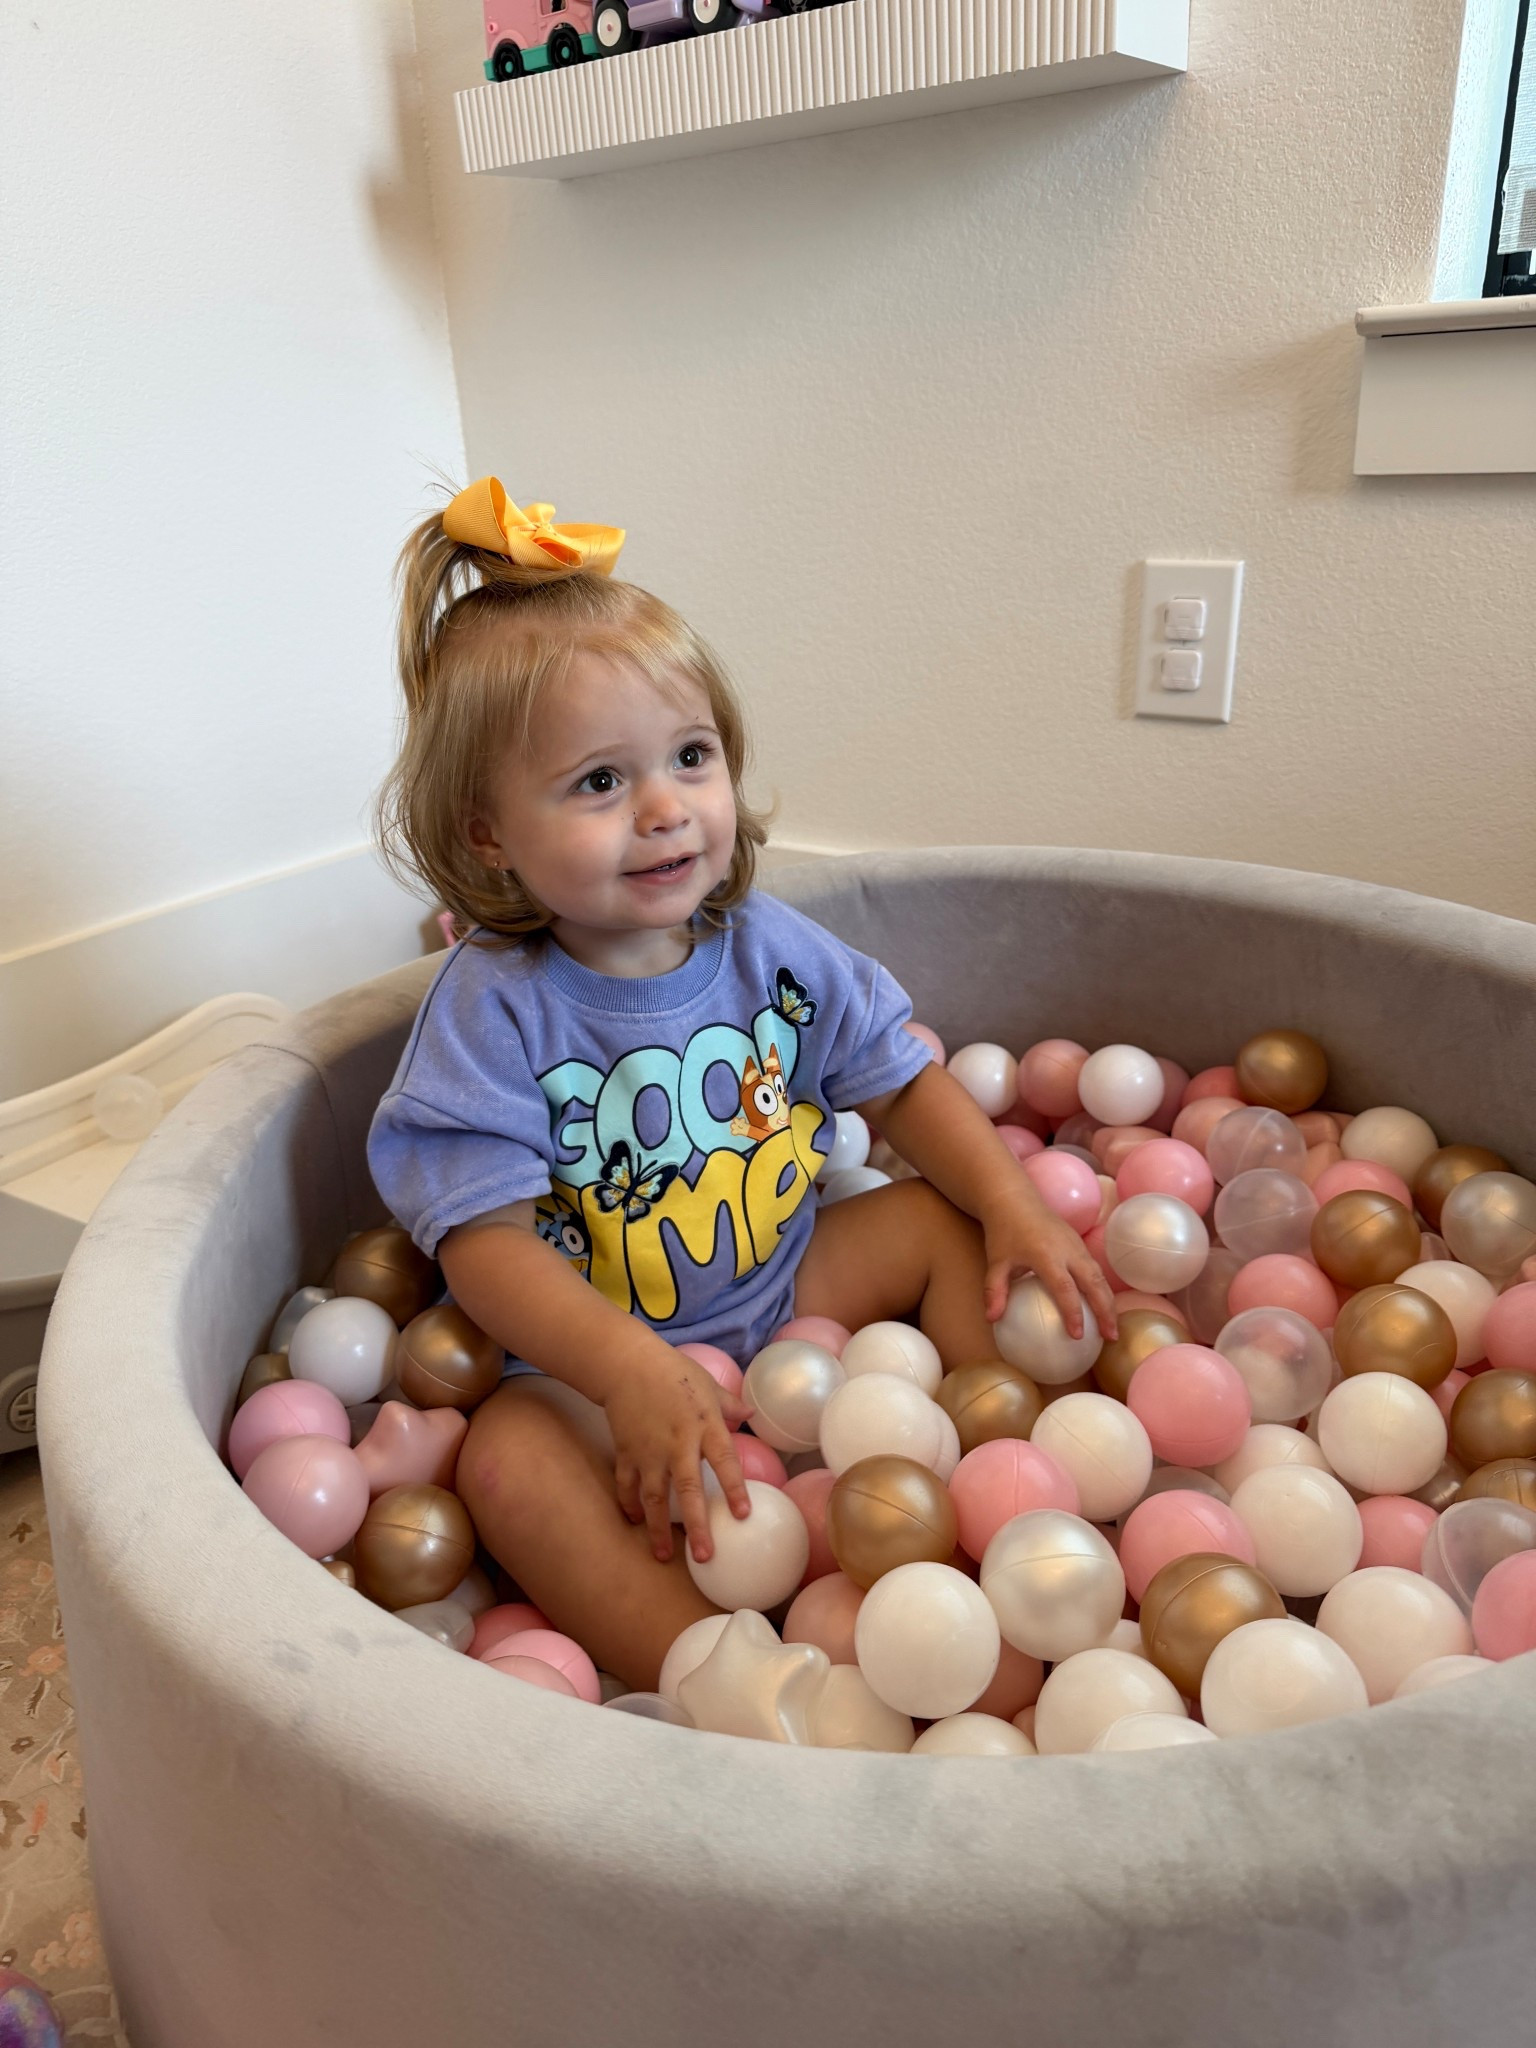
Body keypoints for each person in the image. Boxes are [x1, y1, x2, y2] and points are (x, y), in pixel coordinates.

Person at [367, 476, 1115, 1690]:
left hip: (785, 1280)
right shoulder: (492, 1005)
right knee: (503, 1455)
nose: (666, 808)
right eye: (600, 782)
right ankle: (719, 1666)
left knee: (936, 1214)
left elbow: (905, 1088)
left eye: (691, 756)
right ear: (489, 831)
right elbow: (484, 1247)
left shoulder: (769, 946)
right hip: (595, 1365)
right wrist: (627, 1371)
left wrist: (1015, 1203)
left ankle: (1019, 1505)